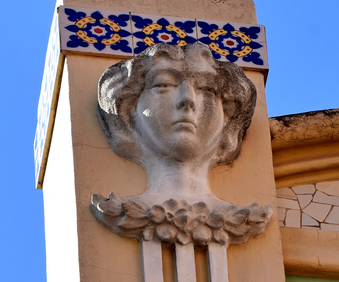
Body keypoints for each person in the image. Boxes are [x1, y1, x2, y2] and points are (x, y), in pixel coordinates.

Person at [96, 42, 256, 204]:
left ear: (227, 115)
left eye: (206, 88)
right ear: (128, 110)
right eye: (163, 84)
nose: (187, 99)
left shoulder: (253, 216)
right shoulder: (115, 211)